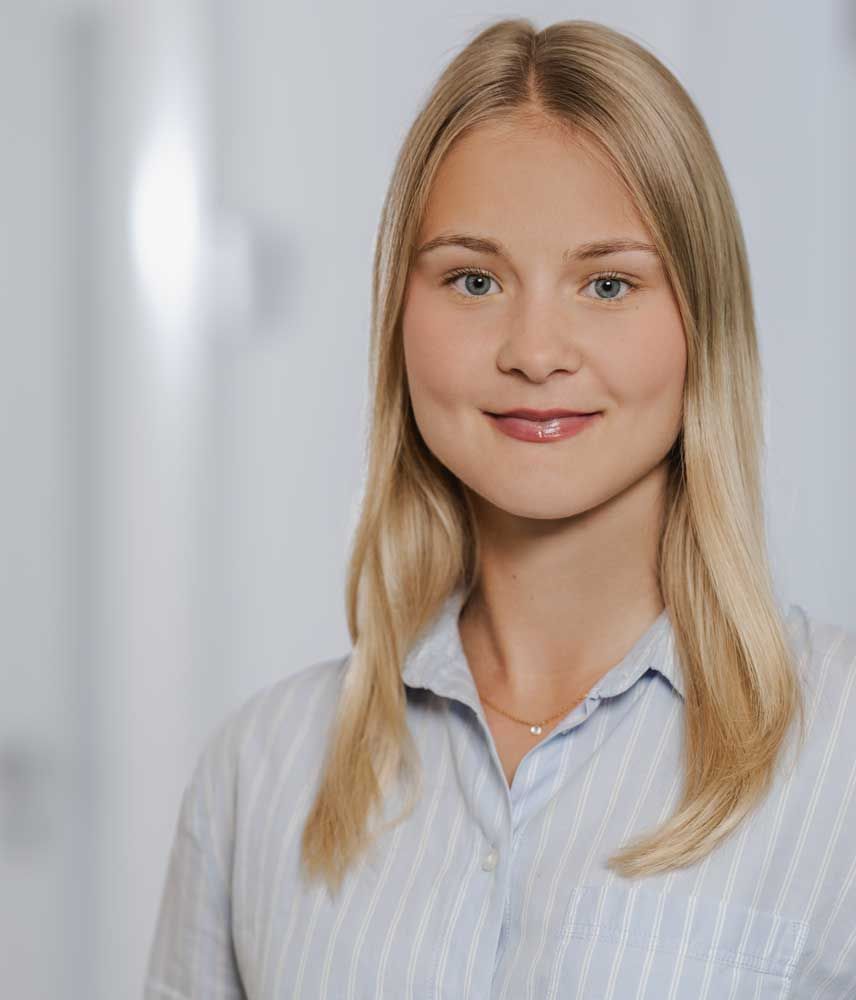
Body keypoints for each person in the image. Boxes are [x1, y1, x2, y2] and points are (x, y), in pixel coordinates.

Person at [144, 17, 856, 999]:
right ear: (400, 314)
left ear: (703, 321)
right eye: (472, 279)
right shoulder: (257, 774)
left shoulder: (841, 754)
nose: (533, 349)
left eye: (606, 283)